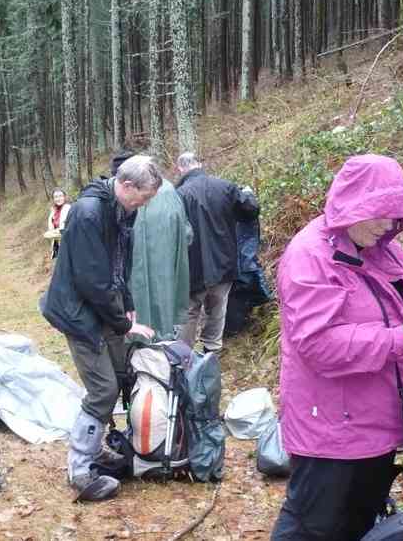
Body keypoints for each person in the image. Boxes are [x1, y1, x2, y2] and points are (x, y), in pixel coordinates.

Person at [270, 154, 403, 540]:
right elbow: (317, 344)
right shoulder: (311, 256)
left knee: (359, 522)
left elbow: (400, 312)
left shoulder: (385, 250)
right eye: (381, 212)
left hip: (379, 420)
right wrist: (400, 339)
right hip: (330, 429)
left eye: (396, 212)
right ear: (354, 205)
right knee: (312, 527)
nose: (390, 223)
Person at [39, 155, 161, 502]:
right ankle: (79, 467)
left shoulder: (124, 210)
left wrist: (130, 304)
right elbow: (92, 280)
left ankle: (96, 446)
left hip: (104, 308)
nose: (145, 204)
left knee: (121, 374)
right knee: (103, 389)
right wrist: (124, 323)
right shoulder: (89, 213)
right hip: (79, 314)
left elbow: (121, 264)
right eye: (143, 196)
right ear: (125, 185)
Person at [175, 152, 259, 352]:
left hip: (191, 267)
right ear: (200, 163)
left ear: (180, 169)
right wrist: (248, 195)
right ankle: (211, 352)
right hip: (223, 263)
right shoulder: (225, 187)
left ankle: (183, 357)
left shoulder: (177, 195)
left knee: (189, 313)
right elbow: (250, 210)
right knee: (217, 309)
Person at [111, 151, 191, 340]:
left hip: (129, 280)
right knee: (162, 318)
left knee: (134, 323)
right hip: (165, 275)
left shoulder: (119, 195)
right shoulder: (168, 190)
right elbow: (187, 234)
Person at [46, 188, 71, 259]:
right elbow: (52, 227)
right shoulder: (53, 211)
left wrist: (58, 232)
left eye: (60, 196)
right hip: (58, 245)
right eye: (56, 197)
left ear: (64, 197)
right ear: (53, 199)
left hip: (68, 244)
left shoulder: (69, 208)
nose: (58, 198)